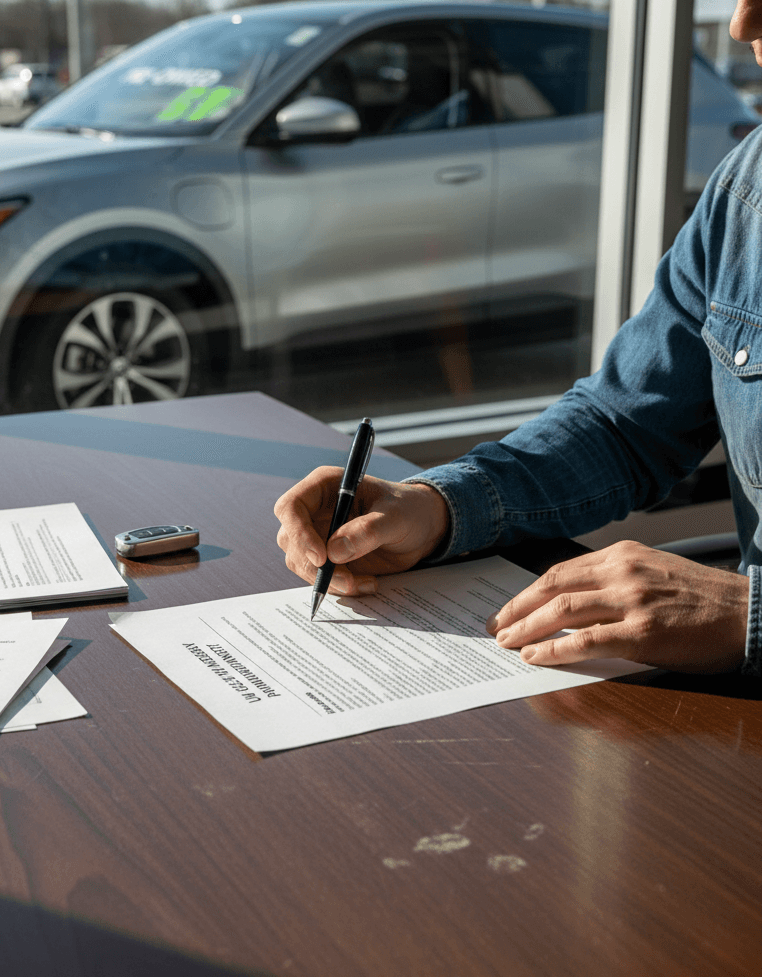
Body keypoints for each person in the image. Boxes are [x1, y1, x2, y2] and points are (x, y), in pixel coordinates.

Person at [274, 0, 762, 677]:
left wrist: (750, 613)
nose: (743, 25)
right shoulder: (748, 190)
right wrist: (438, 508)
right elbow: (624, 427)